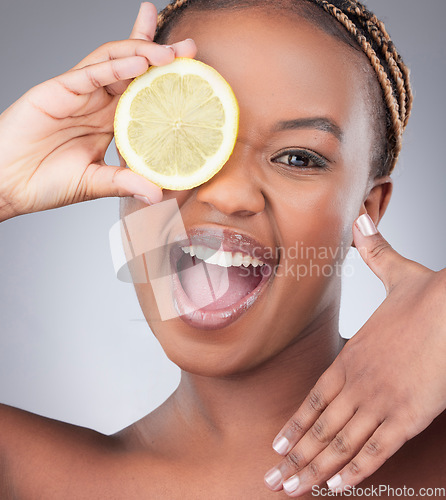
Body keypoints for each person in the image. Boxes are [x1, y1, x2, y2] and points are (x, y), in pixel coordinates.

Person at [0, 1, 445, 498]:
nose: (227, 195)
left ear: (367, 208)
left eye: (297, 157)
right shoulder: (24, 475)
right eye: (185, 136)